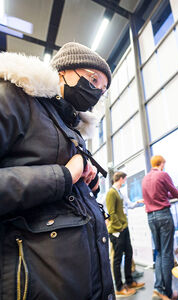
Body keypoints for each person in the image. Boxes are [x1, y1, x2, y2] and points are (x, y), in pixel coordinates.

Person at [0, 42, 115, 299]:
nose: (96, 91)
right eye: (93, 79)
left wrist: (87, 183)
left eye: (103, 89)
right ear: (63, 70)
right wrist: (65, 175)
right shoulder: (14, 97)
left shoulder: (71, 127)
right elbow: (62, 176)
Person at [142, 155, 178, 300]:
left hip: (151, 217)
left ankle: (158, 287)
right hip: (163, 216)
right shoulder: (162, 174)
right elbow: (174, 192)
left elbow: (156, 195)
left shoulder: (145, 178)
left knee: (160, 253)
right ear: (162, 164)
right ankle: (167, 293)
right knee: (167, 254)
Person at [106, 172, 145, 296]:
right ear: (120, 179)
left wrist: (124, 227)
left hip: (124, 228)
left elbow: (125, 207)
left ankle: (129, 281)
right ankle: (118, 288)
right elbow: (111, 212)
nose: (125, 182)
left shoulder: (119, 192)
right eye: (124, 179)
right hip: (117, 230)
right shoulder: (111, 193)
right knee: (117, 260)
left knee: (129, 254)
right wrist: (120, 227)